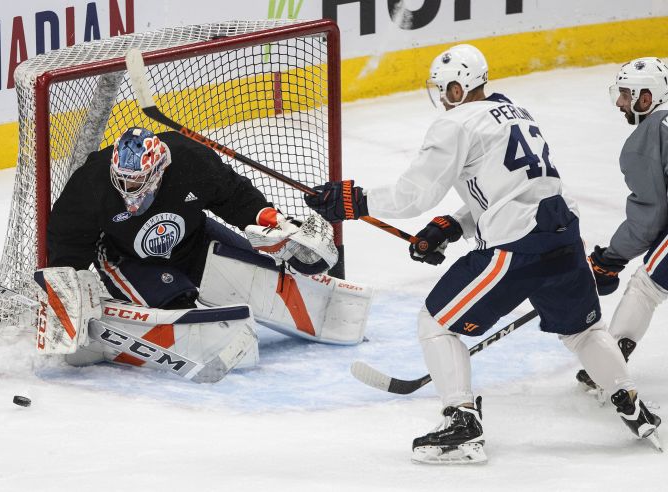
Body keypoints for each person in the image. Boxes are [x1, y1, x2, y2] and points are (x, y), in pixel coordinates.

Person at [305, 44, 661, 463]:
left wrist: (355, 201)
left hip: (517, 249)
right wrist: (454, 225)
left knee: (435, 323)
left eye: (445, 88)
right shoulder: (514, 112)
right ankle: (631, 405)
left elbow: (413, 194)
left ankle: (462, 423)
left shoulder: (454, 124)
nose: (442, 96)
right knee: (582, 332)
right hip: (565, 240)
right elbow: (512, 187)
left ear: (458, 88)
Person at [40, 127, 371, 378]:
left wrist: (273, 223)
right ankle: (166, 308)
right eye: (123, 182)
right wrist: (65, 290)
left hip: (195, 240)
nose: (129, 191)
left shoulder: (190, 159)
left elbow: (234, 195)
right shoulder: (92, 181)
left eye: (137, 181)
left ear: (159, 170)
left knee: (259, 270)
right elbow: (68, 237)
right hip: (127, 258)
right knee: (178, 306)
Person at [576, 58, 668, 392]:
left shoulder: (649, 134)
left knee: (647, 286)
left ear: (647, 98)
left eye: (627, 95)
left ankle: (609, 359)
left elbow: (650, 216)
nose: (619, 102)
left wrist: (610, 259)